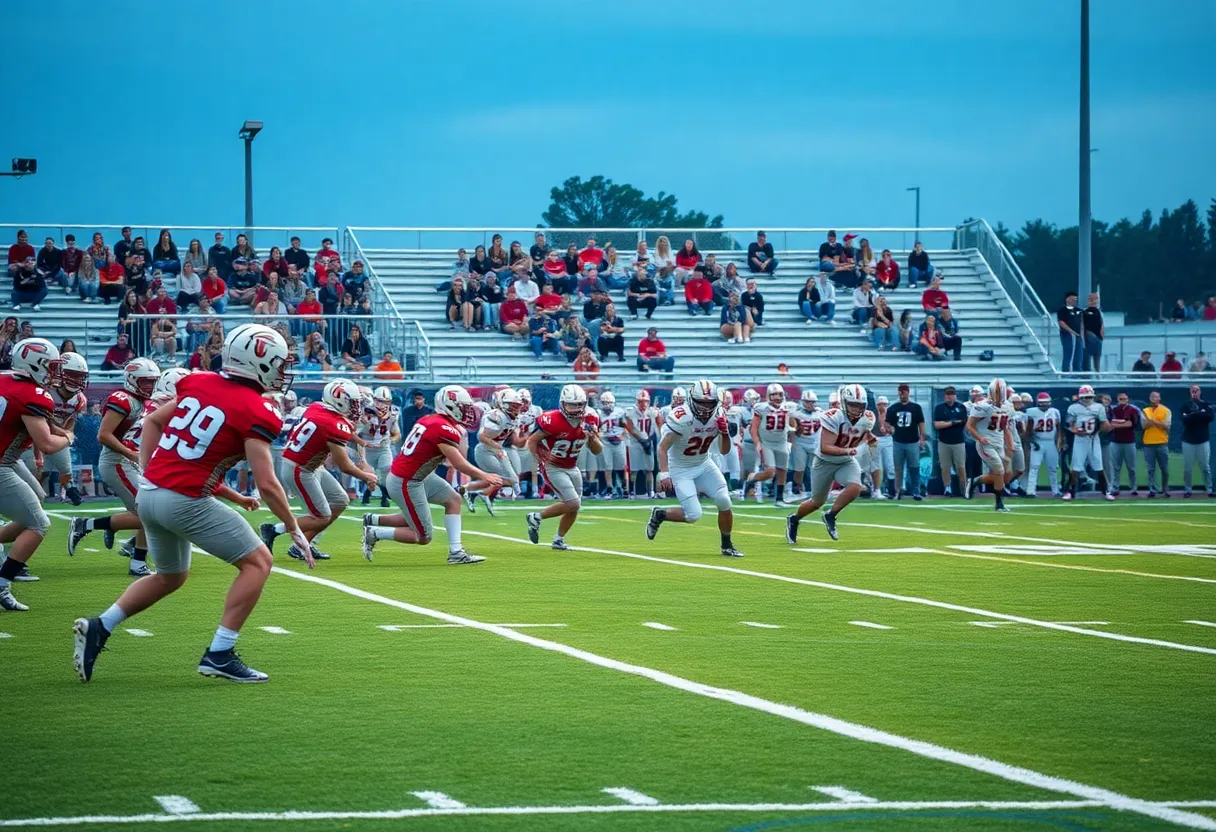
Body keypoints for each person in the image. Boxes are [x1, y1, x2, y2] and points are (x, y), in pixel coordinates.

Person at [72, 325, 306, 683]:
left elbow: (153, 421)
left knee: (171, 576)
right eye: (277, 363)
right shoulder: (258, 409)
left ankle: (101, 626)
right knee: (259, 561)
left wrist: (150, 474)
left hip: (150, 495)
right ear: (256, 361)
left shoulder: (201, 382)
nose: (282, 371)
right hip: (185, 500)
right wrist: (292, 526)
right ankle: (220, 653)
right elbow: (267, 483)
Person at [66, 357, 161, 575]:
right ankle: (86, 525)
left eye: (152, 382)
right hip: (118, 461)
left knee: (149, 511)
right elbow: (103, 435)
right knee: (151, 511)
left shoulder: (144, 402)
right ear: (131, 379)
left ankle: (135, 558)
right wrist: (131, 454)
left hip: (129, 462)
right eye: (145, 381)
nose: (149, 386)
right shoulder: (123, 399)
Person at [265, 379, 376, 560]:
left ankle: (301, 546)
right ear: (338, 399)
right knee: (321, 516)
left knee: (339, 500)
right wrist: (367, 477)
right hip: (299, 468)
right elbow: (344, 466)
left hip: (309, 465)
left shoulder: (318, 407)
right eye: (354, 403)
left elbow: (337, 429)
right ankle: (272, 530)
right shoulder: (334, 424)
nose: (357, 407)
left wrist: (359, 444)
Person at [0, 338, 73, 610]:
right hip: (2, 462)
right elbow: (46, 443)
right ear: (35, 364)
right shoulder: (33, 394)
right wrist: (69, 438)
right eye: (51, 366)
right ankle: (2, 584)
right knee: (39, 524)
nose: (54, 373)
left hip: (8, 458)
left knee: (38, 499)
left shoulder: (6, 379)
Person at [645, 379, 742, 556]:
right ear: (692, 400)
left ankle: (727, 545)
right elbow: (662, 447)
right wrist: (664, 473)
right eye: (701, 403)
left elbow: (724, 449)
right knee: (693, 515)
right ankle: (660, 514)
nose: (705, 408)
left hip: (704, 463)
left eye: (709, 403)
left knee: (724, 500)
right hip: (681, 468)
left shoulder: (718, 414)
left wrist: (725, 433)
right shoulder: (682, 417)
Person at [786, 384, 876, 543]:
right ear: (844, 402)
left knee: (855, 487)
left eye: (860, 405)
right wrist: (848, 450)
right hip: (824, 462)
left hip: (846, 461)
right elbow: (825, 447)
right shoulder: (833, 416)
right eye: (852, 405)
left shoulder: (868, 418)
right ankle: (794, 519)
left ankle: (831, 515)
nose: (856, 409)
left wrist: (869, 440)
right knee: (816, 502)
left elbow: (862, 435)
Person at [525, 385, 602, 550]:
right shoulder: (552, 420)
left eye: (580, 404)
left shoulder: (591, 418)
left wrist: (593, 438)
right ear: (562, 404)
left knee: (575, 505)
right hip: (553, 467)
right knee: (573, 503)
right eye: (571, 405)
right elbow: (532, 440)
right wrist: (541, 457)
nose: (576, 409)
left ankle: (558, 539)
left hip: (572, 466)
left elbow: (597, 451)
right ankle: (536, 517)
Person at [964, 378, 1015, 512]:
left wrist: (1010, 443)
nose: (998, 395)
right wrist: (980, 438)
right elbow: (969, 426)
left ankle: (975, 481)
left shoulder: (1007, 406)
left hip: (999, 442)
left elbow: (1005, 427)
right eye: (996, 392)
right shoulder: (983, 406)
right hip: (985, 443)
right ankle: (999, 504)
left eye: (1000, 392)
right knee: (999, 471)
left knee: (1001, 474)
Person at [742, 383, 795, 506]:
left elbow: (793, 425)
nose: (777, 397)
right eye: (774, 395)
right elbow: (753, 428)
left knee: (782, 471)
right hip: (767, 443)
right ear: (768, 396)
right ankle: (751, 480)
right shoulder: (761, 408)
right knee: (770, 471)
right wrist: (757, 443)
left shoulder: (788, 408)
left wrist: (792, 433)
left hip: (781, 442)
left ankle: (779, 498)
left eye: (780, 394)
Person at [1063, 385, 1112, 501]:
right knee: (1076, 466)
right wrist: (1073, 429)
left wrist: (1106, 427)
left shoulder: (1099, 407)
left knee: (1099, 465)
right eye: (1085, 397)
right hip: (1080, 439)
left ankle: (1106, 491)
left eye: (1089, 396)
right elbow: (1068, 422)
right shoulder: (1073, 408)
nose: (1087, 399)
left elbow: (1104, 423)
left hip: (1094, 438)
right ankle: (1071, 491)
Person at [887, 384, 926, 500]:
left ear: (908, 393)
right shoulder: (893, 408)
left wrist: (922, 437)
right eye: (901, 392)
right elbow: (888, 422)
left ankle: (916, 491)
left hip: (912, 441)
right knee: (898, 468)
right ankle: (898, 491)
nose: (902, 394)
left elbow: (921, 423)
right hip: (898, 441)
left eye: (904, 392)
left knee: (914, 467)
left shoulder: (915, 408)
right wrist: (889, 429)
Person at [1025, 393, 1064, 497]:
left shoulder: (1055, 412)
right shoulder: (1031, 412)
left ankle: (1056, 490)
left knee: (1053, 468)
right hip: (1037, 441)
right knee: (1034, 467)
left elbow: (1059, 429)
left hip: (1051, 442)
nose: (1044, 405)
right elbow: (1028, 431)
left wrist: (1059, 442)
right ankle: (1030, 491)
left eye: (1046, 403)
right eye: (1042, 403)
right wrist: (1033, 442)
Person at [933, 386, 968, 496]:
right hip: (944, 442)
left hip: (958, 441)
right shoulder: (939, 408)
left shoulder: (961, 407)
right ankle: (947, 487)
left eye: (951, 394)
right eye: (947, 394)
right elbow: (937, 425)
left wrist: (947, 423)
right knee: (945, 467)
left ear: (955, 396)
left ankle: (964, 488)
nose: (949, 396)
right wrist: (952, 423)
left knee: (961, 467)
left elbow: (963, 422)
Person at [1179, 385, 1214, 498]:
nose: (1195, 393)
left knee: (1205, 467)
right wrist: (1199, 414)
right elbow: (1185, 420)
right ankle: (1188, 489)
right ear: (1190, 392)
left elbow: (1209, 417)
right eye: (1192, 391)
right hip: (1188, 441)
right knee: (1188, 468)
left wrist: (1193, 415)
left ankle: (1209, 489)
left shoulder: (1206, 404)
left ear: (1200, 392)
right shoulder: (1186, 405)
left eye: (1196, 390)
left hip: (1203, 440)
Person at [624, 391, 659, 498]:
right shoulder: (631, 412)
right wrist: (642, 440)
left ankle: (651, 492)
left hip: (648, 442)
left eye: (645, 402)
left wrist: (650, 440)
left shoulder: (653, 412)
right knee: (634, 470)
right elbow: (630, 429)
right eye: (640, 402)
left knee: (649, 469)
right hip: (636, 444)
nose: (643, 404)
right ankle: (631, 492)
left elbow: (658, 428)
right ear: (637, 402)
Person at [788, 389, 822, 499]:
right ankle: (798, 488)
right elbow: (791, 428)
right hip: (800, 443)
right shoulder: (795, 413)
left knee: (813, 469)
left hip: (814, 443)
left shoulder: (820, 413)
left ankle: (812, 490)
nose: (809, 404)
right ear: (802, 401)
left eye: (812, 402)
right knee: (799, 468)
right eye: (807, 402)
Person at [1106, 392, 1140, 496]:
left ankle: (1133, 487)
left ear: (1127, 399)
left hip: (1129, 441)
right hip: (1115, 441)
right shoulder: (1113, 410)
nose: (1123, 401)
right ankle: (1115, 488)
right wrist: (1122, 423)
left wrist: (1117, 424)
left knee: (1131, 467)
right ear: (1118, 400)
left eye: (1124, 399)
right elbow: (1110, 423)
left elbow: (1130, 424)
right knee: (1115, 467)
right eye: (1121, 399)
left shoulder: (1133, 410)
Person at [1141, 390, 1171, 497]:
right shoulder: (1145, 410)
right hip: (1149, 443)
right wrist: (1158, 422)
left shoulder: (1166, 410)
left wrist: (1153, 421)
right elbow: (1144, 426)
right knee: (1150, 469)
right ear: (1150, 399)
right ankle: (1152, 490)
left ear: (1160, 398)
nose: (1155, 399)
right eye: (1153, 397)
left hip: (1162, 442)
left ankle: (1165, 489)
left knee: (1164, 468)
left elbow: (1166, 426)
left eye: (1157, 397)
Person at [1057, 291, 1085, 373]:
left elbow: (1082, 323)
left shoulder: (1079, 310)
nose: (1075, 301)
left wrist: (1081, 336)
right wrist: (1072, 332)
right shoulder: (1062, 310)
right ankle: (1066, 371)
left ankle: (1077, 371)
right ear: (1067, 299)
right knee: (1068, 353)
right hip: (1067, 335)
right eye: (1073, 299)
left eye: (1076, 299)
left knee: (1079, 354)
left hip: (1078, 336)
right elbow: (1061, 323)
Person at [1082, 292, 1105, 372]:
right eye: (1091, 299)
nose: (1093, 301)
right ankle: (1087, 374)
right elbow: (1082, 327)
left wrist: (1102, 337)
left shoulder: (1099, 312)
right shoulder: (1084, 312)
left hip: (1098, 338)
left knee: (1097, 358)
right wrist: (1083, 341)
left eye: (1095, 299)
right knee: (1087, 358)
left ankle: (1097, 374)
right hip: (1089, 337)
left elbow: (1102, 324)